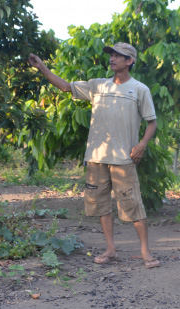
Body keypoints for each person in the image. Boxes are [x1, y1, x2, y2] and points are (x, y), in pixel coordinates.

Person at [28, 42, 160, 269]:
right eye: (111, 55)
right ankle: (110, 248)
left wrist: (141, 145)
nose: (113, 59)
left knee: (132, 204)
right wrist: (42, 68)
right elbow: (66, 87)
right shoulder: (98, 86)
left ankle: (145, 252)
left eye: (119, 56)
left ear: (130, 61)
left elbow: (152, 122)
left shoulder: (139, 89)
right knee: (100, 205)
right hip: (96, 157)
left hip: (123, 159)